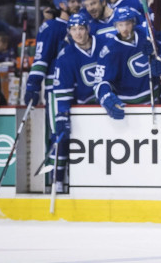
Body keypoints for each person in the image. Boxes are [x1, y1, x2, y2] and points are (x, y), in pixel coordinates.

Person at [51, 13, 103, 192]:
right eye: (73, 29)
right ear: (69, 32)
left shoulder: (104, 45)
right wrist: (63, 115)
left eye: (81, 28)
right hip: (84, 109)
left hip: (107, 103)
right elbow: (63, 91)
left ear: (88, 29)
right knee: (63, 138)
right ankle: (57, 180)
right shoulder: (66, 56)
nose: (78, 33)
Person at [95, 7, 161, 118]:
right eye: (121, 25)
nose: (124, 28)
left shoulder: (145, 34)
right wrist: (105, 96)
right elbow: (100, 81)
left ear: (133, 23)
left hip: (155, 99)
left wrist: (156, 53)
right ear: (116, 26)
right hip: (129, 107)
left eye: (127, 24)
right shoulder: (110, 50)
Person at [23, 0, 80, 109]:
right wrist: (33, 85)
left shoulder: (82, 26)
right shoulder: (51, 27)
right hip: (57, 86)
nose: (77, 4)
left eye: (77, 1)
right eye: (72, 1)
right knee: (57, 126)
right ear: (61, 5)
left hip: (79, 85)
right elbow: (41, 59)